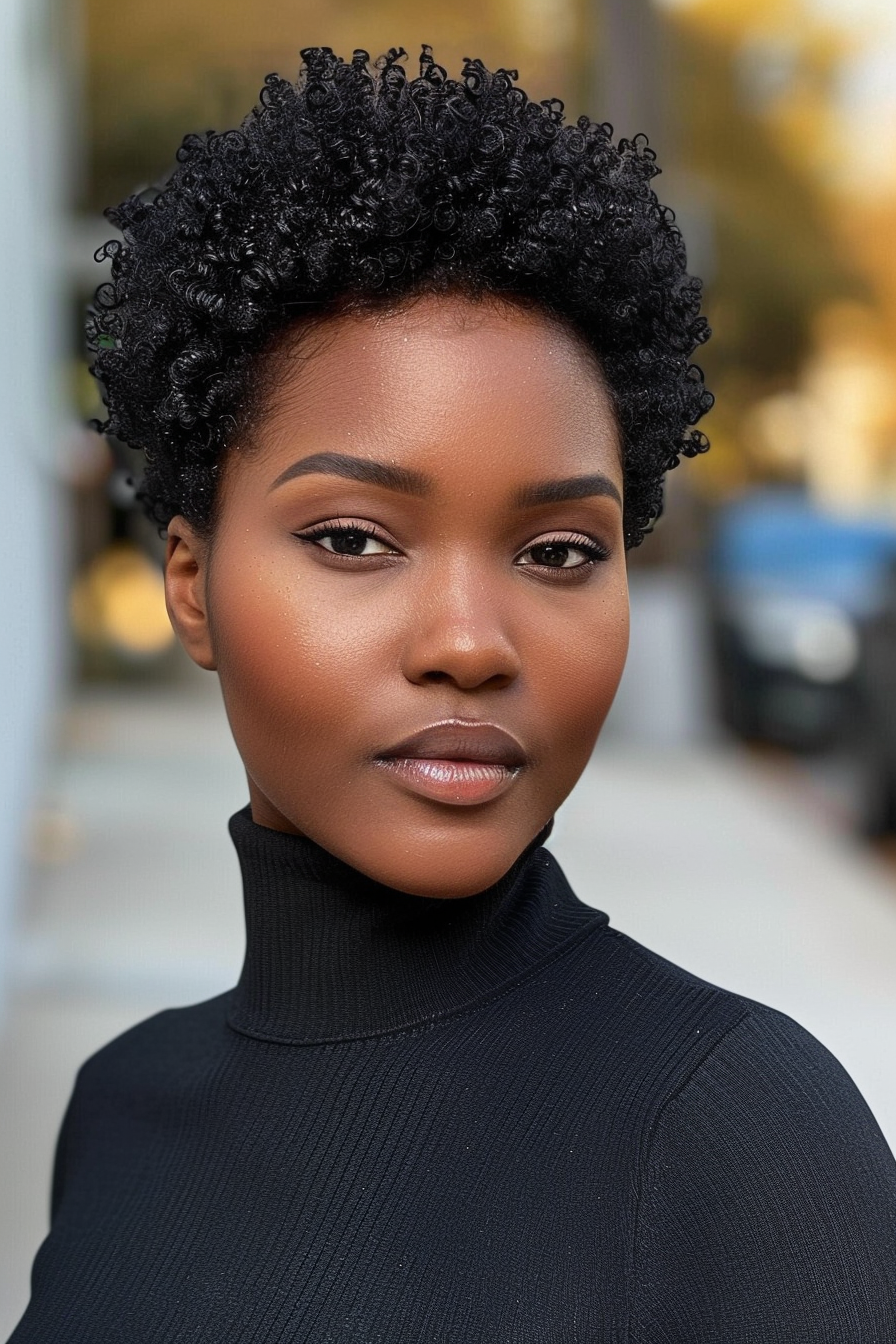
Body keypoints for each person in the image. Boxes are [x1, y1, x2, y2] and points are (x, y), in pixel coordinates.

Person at [10, 46, 896, 1343]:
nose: (473, 644)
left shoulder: (740, 1141)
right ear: (191, 585)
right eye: (356, 540)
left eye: (558, 553)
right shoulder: (120, 1110)